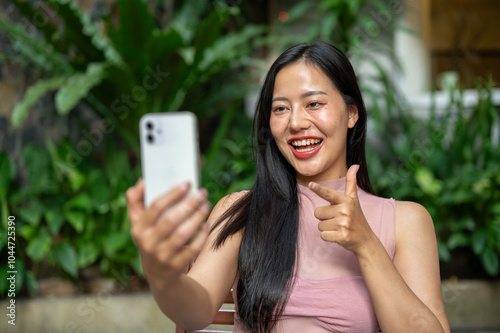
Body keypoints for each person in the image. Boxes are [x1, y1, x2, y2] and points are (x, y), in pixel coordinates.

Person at [126, 41, 450, 333]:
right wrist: (162, 275)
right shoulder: (240, 212)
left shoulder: (405, 221)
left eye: (314, 103)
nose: (295, 122)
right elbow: (194, 313)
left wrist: (367, 245)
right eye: (281, 108)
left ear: (352, 113)